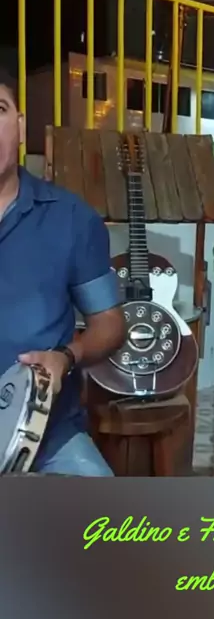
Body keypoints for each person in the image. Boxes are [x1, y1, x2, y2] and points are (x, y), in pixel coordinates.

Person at [0, 70, 126, 475]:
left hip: (47, 437)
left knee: (107, 510)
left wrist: (67, 357)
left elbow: (109, 323)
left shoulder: (71, 219)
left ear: (21, 127)